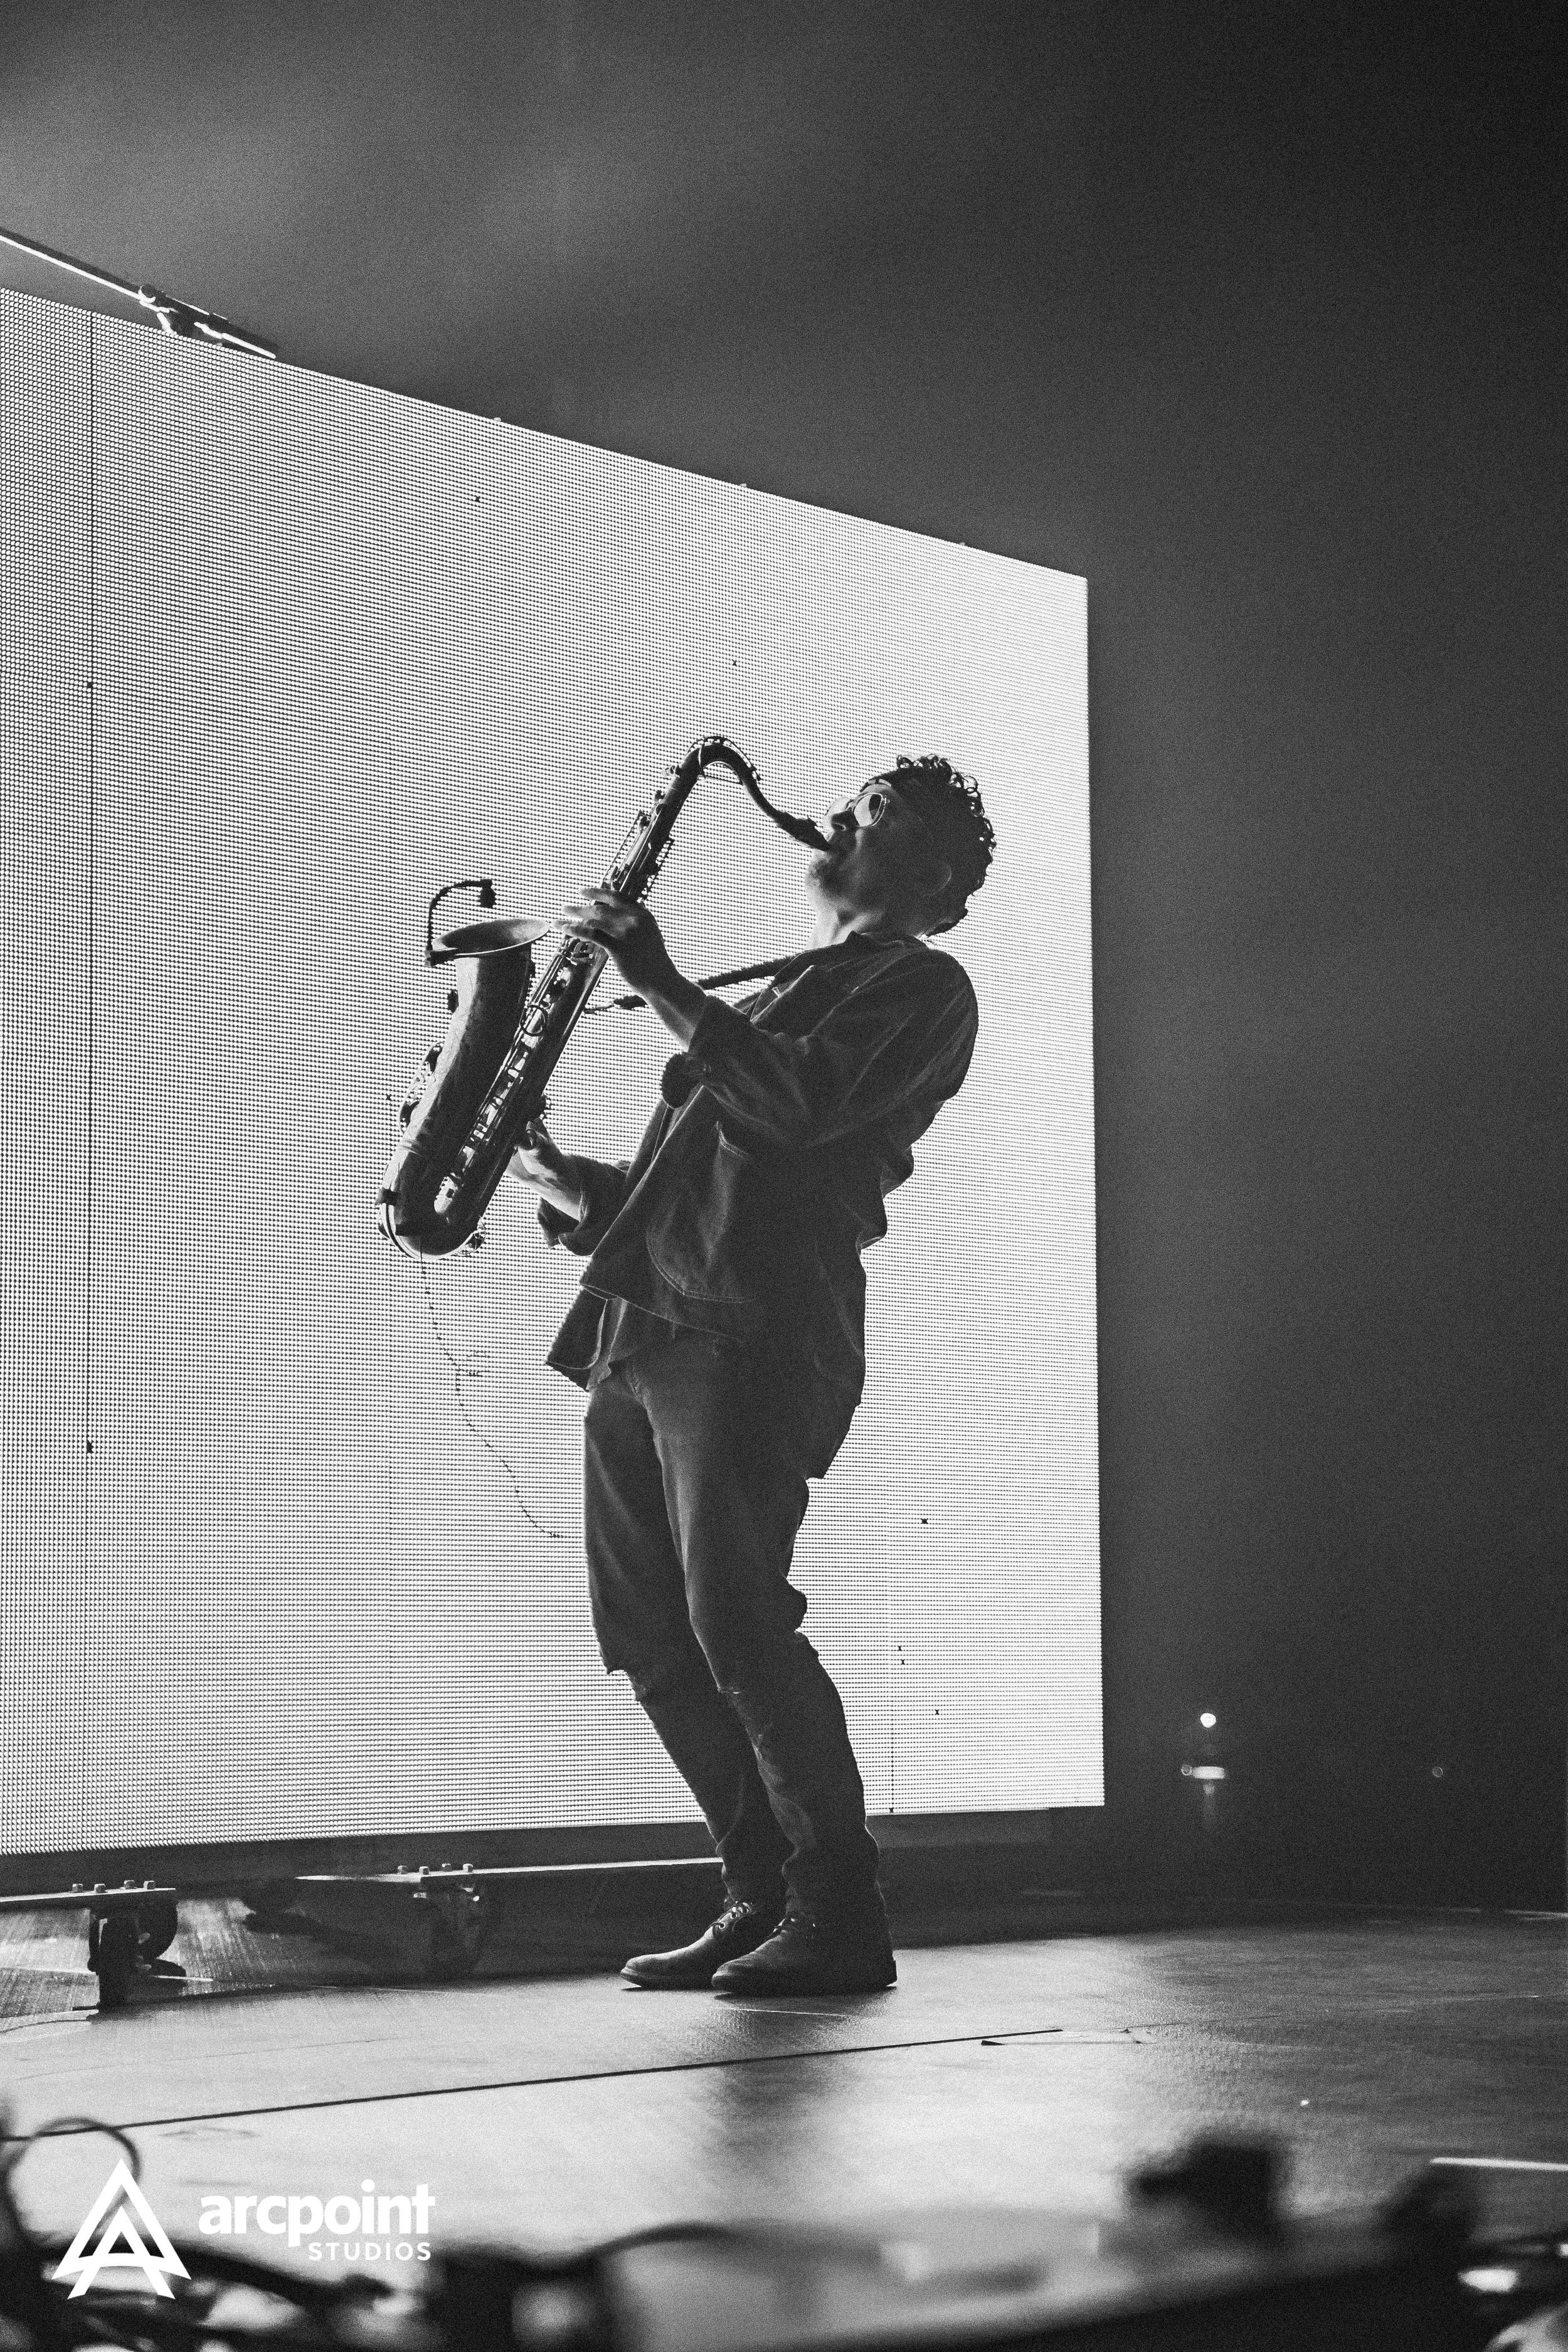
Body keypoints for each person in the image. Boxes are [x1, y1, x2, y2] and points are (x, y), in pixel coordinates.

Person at [510, 755, 995, 1996]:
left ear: (932, 869)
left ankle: (839, 1915)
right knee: (651, 1636)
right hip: (643, 1325)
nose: (838, 817)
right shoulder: (791, 985)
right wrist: (569, 1183)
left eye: (874, 811)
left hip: (750, 1337)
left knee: (734, 1622)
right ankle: (762, 1895)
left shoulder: (923, 986)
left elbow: (790, 1108)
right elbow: (689, 1193)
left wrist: (660, 979)